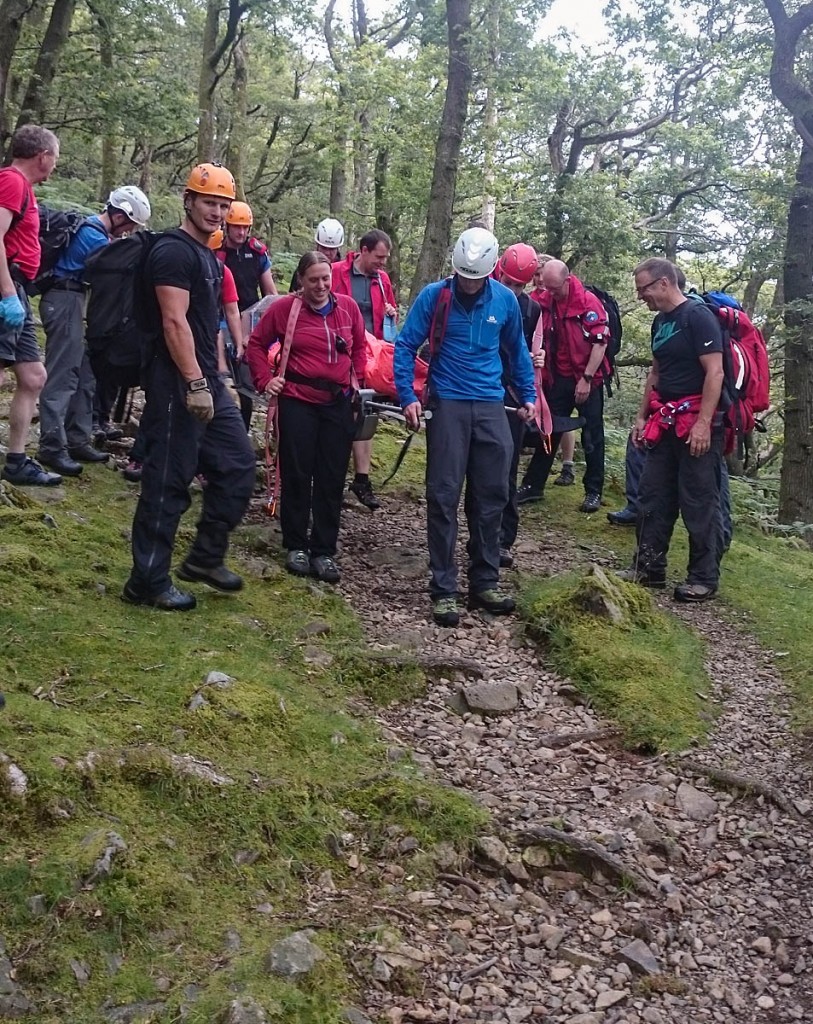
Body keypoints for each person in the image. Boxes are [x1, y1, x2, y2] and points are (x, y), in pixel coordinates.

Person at [122, 162, 256, 611]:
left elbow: (207, 326)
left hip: (205, 379)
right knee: (168, 478)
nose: (217, 212)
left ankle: (204, 558)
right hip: (175, 381)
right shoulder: (173, 252)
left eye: (223, 204)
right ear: (189, 200)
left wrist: (219, 378)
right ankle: (147, 580)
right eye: (209, 203)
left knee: (238, 464)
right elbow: (174, 322)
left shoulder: (208, 257)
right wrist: (196, 383)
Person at [394, 227, 536, 627]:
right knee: (443, 495)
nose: (470, 283)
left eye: (477, 277)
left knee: (492, 494)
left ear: (491, 271)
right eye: (464, 276)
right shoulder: (434, 296)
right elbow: (405, 346)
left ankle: (485, 580)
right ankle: (443, 589)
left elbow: (517, 351)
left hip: (492, 405)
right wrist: (407, 396)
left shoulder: (506, 301)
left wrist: (528, 394)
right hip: (448, 403)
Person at [245, 251, 367, 584]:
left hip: (338, 401)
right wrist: (264, 380)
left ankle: (324, 550)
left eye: (325, 278)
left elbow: (358, 346)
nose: (321, 286)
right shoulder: (285, 309)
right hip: (297, 399)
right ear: (301, 280)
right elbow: (255, 345)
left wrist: (358, 378)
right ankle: (296, 544)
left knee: (331, 476)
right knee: (298, 472)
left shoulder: (348, 308)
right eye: (313, 279)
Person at [619, 257, 725, 602]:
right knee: (653, 494)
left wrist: (704, 424)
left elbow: (715, 373)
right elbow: (655, 373)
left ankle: (703, 578)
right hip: (663, 421)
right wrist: (641, 416)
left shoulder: (697, 317)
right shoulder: (660, 323)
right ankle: (648, 568)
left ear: (664, 283)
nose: (640, 297)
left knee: (698, 500)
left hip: (696, 424)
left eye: (643, 289)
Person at [36, 186, 151, 477]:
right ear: (120, 216)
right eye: (132, 225)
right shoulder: (92, 236)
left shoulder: (99, 235)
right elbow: (114, 262)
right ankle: (51, 445)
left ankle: (77, 438)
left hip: (77, 301)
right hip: (64, 300)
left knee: (86, 374)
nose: (130, 232)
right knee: (63, 375)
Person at [517, 259, 609, 513]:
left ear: (567, 281)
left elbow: (600, 343)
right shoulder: (545, 301)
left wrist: (586, 379)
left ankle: (593, 491)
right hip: (558, 379)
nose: (550, 292)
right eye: (547, 287)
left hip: (588, 379)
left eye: (555, 288)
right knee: (549, 430)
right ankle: (533, 485)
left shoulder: (588, 304)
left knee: (591, 435)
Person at [0, 125, 61, 486]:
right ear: (44, 156)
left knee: (34, 376)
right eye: (55, 157)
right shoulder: (12, 182)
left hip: (17, 290)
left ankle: (17, 461)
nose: (54, 164)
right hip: (6, 288)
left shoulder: (23, 188)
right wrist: (7, 293)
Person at [331, 228, 397, 510]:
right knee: (341, 415)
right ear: (364, 250)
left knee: (366, 414)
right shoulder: (337, 272)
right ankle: (330, 476)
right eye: (379, 257)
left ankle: (361, 478)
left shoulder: (382, 280)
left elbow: (387, 309)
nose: (382, 263)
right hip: (339, 353)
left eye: (386, 259)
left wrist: (392, 312)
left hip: (371, 356)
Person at [489, 242, 540, 568]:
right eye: (509, 282)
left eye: (519, 285)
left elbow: (521, 355)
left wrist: (527, 394)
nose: (513, 289)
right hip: (480, 387)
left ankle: (502, 538)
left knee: (505, 470)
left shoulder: (531, 310)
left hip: (509, 395)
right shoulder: (480, 294)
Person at [214, 200, 276, 431]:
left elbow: (269, 292)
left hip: (250, 320)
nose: (240, 232)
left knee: (245, 383)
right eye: (236, 227)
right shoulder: (217, 251)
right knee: (222, 378)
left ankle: (242, 431)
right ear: (227, 226)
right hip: (220, 320)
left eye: (245, 227)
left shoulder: (257, 253)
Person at [289, 218, 344, 292]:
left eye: (331, 249)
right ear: (317, 246)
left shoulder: (343, 273)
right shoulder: (304, 269)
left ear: (337, 249)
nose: (327, 253)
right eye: (324, 248)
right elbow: (292, 296)